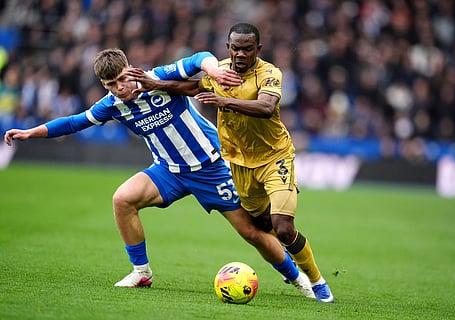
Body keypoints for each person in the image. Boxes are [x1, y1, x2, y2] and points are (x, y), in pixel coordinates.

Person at [3, 48, 315, 297]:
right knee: (122, 200)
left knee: (252, 233)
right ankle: (141, 273)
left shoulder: (157, 79)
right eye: (111, 85)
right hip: (169, 171)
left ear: (130, 68)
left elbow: (197, 59)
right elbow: (74, 122)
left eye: (122, 79)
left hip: (212, 168)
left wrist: (213, 70)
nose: (120, 88)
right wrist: (31, 132)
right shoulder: (112, 105)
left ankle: (297, 277)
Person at [149, 23, 334, 303]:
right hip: (239, 162)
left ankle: (318, 282)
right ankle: (291, 264)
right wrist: (155, 84)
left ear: (257, 49)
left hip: (275, 157)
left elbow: (266, 107)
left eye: (247, 49)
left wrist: (223, 101)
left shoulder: (270, 73)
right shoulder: (219, 72)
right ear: (228, 48)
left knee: (283, 226)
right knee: (260, 224)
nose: (240, 54)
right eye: (235, 48)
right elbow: (189, 87)